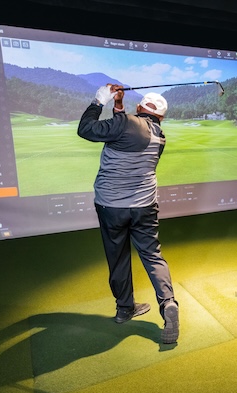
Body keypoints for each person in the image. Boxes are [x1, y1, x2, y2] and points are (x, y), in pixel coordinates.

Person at [78, 84, 179, 344]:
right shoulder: (159, 136)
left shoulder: (126, 124)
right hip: (144, 207)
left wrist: (99, 101)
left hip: (111, 207)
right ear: (161, 117)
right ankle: (168, 302)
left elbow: (86, 129)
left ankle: (125, 308)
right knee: (152, 255)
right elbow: (126, 130)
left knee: (118, 256)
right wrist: (118, 106)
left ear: (139, 107)